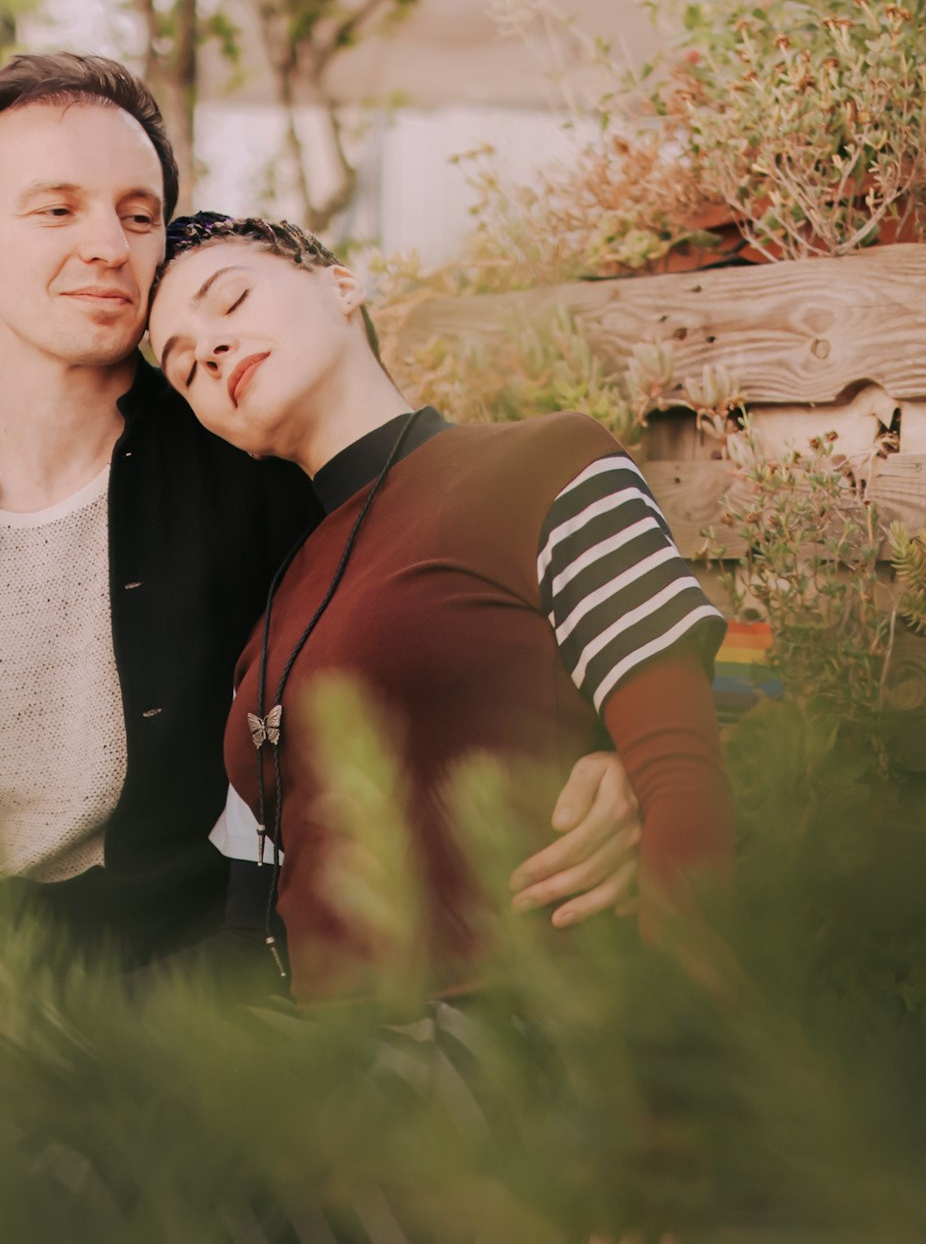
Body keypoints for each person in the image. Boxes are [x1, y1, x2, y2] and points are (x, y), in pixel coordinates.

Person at [0, 55, 647, 1244]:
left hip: (130, 1005)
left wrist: (620, 744)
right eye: (53, 209)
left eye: (136, 214)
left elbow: (459, 585)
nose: (107, 245)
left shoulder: (253, 471)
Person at [148, 213, 735, 1009]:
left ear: (342, 285)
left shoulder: (546, 465)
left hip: (513, 1049)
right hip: (317, 1076)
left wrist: (686, 1089)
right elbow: (252, 931)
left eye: (232, 299)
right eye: (183, 367)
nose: (209, 351)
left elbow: (684, 780)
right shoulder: (271, 621)